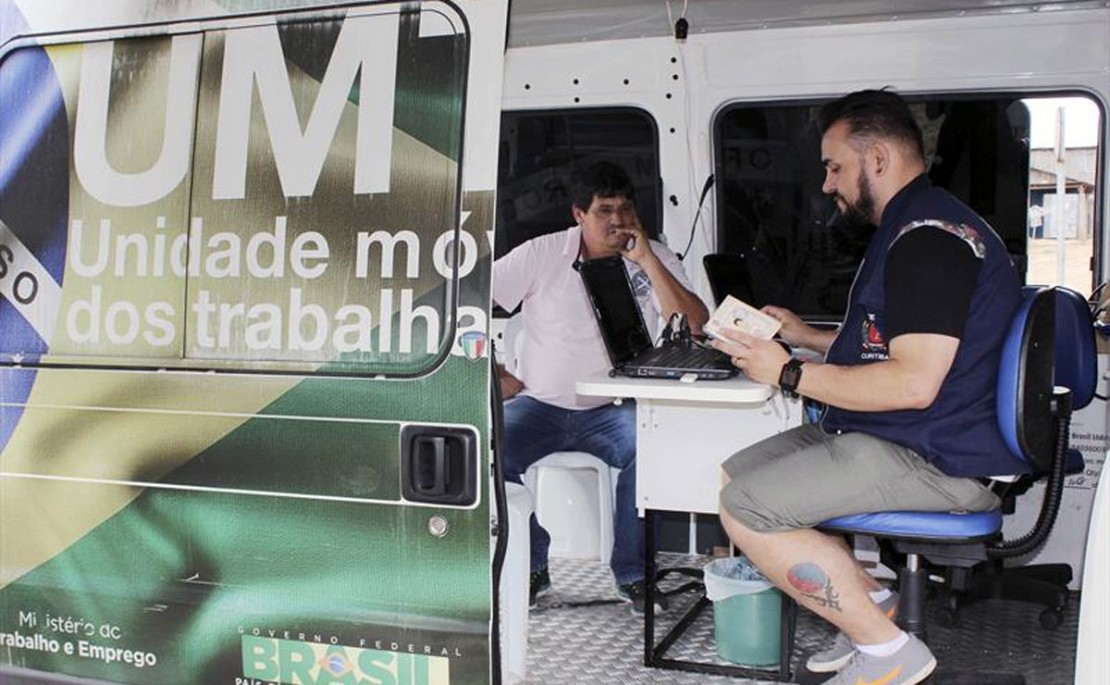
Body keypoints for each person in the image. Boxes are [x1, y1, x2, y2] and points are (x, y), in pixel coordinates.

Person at [709, 89, 1023, 685]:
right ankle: (869, 610)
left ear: (876, 157)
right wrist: (811, 338)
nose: (828, 184)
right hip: (904, 434)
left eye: (834, 166)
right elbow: (902, 344)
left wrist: (788, 372)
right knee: (735, 476)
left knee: (745, 509)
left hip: (936, 455)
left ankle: (890, 654)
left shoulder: (928, 240)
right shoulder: (915, 222)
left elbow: (913, 381)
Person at [493, 160, 709, 613]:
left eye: (625, 208)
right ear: (579, 215)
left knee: (648, 445)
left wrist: (647, 259)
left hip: (615, 407)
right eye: (604, 210)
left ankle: (631, 573)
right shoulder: (542, 253)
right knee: (488, 445)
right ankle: (532, 564)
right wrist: (495, 371)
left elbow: (694, 327)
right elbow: (467, 300)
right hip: (541, 405)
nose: (617, 221)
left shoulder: (655, 256)